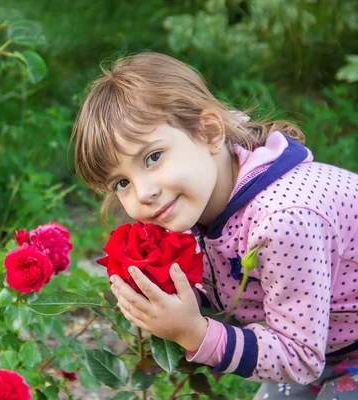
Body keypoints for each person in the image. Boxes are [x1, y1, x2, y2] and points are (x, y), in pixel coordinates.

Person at [72, 52, 358, 399]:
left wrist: (193, 332)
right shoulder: (196, 201)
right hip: (324, 343)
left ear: (209, 132)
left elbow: (298, 357)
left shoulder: (285, 219)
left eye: (152, 157)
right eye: (121, 183)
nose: (143, 193)